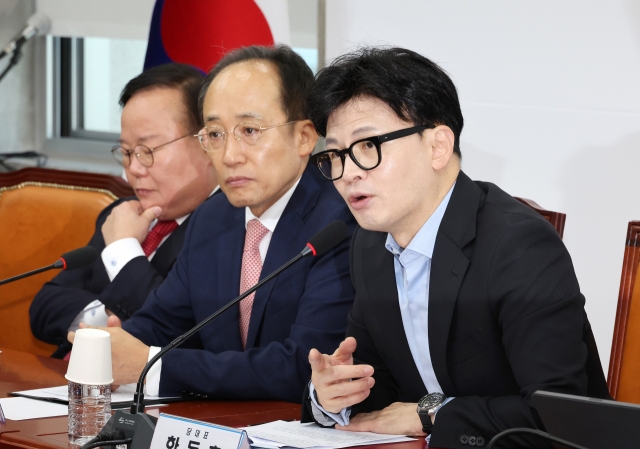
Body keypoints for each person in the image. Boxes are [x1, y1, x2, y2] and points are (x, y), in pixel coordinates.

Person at [303, 47, 609, 448]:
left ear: (438, 146)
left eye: (368, 146)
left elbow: (556, 416)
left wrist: (427, 412)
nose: (349, 174)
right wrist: (332, 396)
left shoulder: (519, 246)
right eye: (336, 154)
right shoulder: (370, 246)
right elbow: (382, 393)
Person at [68, 45, 356, 403]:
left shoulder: (340, 220)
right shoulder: (214, 217)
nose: (230, 156)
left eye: (250, 130)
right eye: (216, 135)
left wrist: (152, 367)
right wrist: (111, 344)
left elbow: (307, 364)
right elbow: (163, 321)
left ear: (304, 137)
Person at [30, 63, 218, 358]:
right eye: (127, 152)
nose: (132, 169)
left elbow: (184, 331)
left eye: (148, 151)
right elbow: (44, 307)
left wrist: (123, 249)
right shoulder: (120, 213)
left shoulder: (226, 225)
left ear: (206, 142)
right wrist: (108, 314)